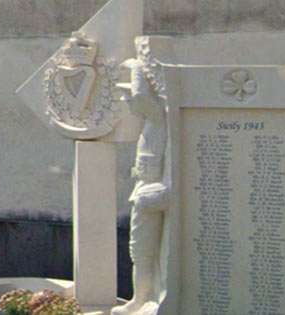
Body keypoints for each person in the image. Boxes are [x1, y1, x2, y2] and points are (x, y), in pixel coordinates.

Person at [111, 40, 169, 315]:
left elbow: (143, 97)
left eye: (129, 99)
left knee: (144, 251)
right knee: (139, 251)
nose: (129, 104)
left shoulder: (159, 118)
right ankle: (140, 299)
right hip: (144, 189)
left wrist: (135, 66)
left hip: (151, 193)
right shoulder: (152, 123)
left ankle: (145, 299)